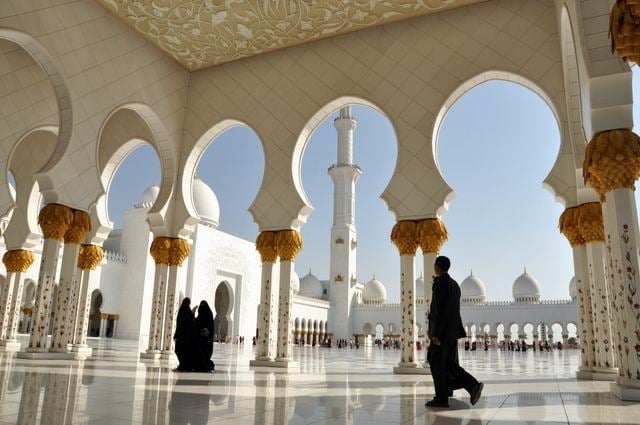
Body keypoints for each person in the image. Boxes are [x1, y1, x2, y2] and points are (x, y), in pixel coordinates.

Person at [426, 256, 484, 408]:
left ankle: (442, 398)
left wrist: (436, 334)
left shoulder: (441, 284)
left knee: (436, 362)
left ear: (438, 267)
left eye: (434, 265)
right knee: (451, 365)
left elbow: (442, 311)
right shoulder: (455, 284)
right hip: (453, 331)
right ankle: (469, 386)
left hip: (442, 333)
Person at [174, 297, 198, 371]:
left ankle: (183, 365)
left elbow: (180, 325)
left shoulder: (182, 311)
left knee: (179, 350)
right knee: (185, 352)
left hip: (182, 337)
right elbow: (192, 322)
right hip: (188, 338)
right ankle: (185, 365)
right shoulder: (189, 312)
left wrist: (176, 335)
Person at [195, 300, 215, 372]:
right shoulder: (208, 314)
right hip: (203, 339)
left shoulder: (207, 315)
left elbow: (208, 327)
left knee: (203, 353)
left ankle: (204, 365)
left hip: (205, 339)